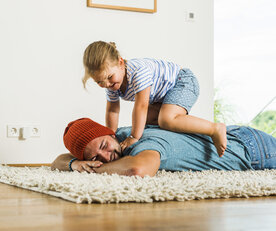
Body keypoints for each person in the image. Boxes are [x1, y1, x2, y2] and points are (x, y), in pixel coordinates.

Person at [82, 41, 227, 157]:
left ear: (120, 63)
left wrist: (134, 137)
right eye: (99, 82)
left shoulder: (138, 72)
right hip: (162, 97)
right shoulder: (112, 85)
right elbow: (112, 111)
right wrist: (110, 135)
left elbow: (141, 106)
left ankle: (214, 129)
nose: (107, 84)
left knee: (166, 119)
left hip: (182, 82)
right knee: (148, 120)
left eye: (109, 77)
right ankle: (169, 134)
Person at [51, 118, 276, 177]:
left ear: (110, 132)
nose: (104, 156)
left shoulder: (141, 141)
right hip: (239, 138)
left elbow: (138, 170)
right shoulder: (114, 141)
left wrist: (92, 168)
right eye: (94, 156)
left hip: (252, 150)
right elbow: (57, 162)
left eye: (103, 145)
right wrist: (75, 163)